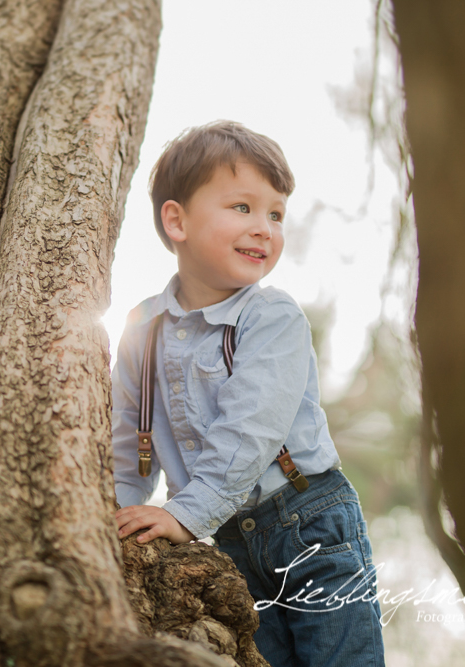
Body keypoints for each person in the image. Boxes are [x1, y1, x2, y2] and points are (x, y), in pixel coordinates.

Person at [112, 120, 385, 666]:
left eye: (276, 213)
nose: (264, 228)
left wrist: (186, 514)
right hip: (230, 540)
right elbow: (127, 442)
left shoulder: (272, 316)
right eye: (242, 207)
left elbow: (252, 430)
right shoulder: (142, 327)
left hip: (309, 523)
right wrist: (117, 518)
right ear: (177, 219)